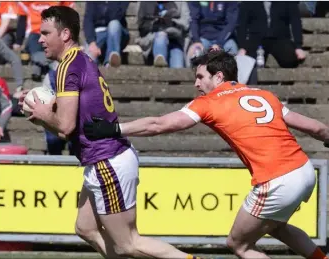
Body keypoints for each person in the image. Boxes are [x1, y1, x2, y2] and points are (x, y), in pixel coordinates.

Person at [83, 50, 329, 259]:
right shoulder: (264, 94)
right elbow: (315, 127)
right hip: (304, 170)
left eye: (200, 77)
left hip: (276, 179)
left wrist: (114, 128)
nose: (196, 83)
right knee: (277, 227)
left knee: (239, 244)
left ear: (219, 77)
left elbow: (159, 124)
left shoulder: (210, 102)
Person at [20, 5, 203, 259]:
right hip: (106, 157)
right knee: (85, 228)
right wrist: (45, 109)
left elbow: (65, 127)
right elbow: (75, 117)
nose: (39, 39)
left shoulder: (67, 68)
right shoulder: (80, 59)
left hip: (107, 160)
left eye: (46, 33)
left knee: (128, 243)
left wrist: (41, 116)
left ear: (64, 35)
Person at [83, 1, 130, 67]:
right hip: (98, 32)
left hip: (117, 32)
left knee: (114, 24)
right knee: (89, 57)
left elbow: (116, 16)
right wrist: (92, 43)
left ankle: (110, 60)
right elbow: (88, 20)